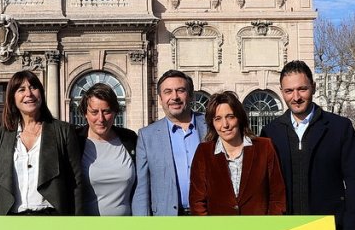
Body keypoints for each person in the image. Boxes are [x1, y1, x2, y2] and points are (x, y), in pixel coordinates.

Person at [261, 60, 355, 230]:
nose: (296, 97)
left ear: (314, 88)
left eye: (302, 89)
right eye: (289, 91)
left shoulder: (339, 127)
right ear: (281, 92)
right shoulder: (270, 131)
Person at [0, 70, 84, 216]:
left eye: (33, 87)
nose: (29, 94)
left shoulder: (63, 131)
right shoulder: (1, 134)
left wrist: (77, 222)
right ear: (13, 97)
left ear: (41, 94)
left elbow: (76, 181)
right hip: (11, 218)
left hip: (52, 217)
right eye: (21, 89)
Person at [189, 91, 286, 216]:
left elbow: (277, 196)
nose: (225, 125)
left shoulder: (264, 147)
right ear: (212, 123)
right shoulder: (204, 152)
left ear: (239, 118)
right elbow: (197, 201)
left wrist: (269, 228)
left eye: (230, 116)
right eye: (218, 119)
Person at [132, 70, 208, 216]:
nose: (175, 97)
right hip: (166, 219)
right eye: (168, 92)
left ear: (190, 95)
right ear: (160, 99)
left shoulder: (210, 126)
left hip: (208, 216)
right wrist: (141, 226)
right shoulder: (147, 136)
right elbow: (142, 188)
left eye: (180, 90)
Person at [74, 82, 137, 215]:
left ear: (115, 112)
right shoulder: (75, 141)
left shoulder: (130, 139)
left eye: (106, 111)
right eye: (94, 112)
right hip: (85, 229)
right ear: (85, 113)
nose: (101, 118)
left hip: (127, 228)